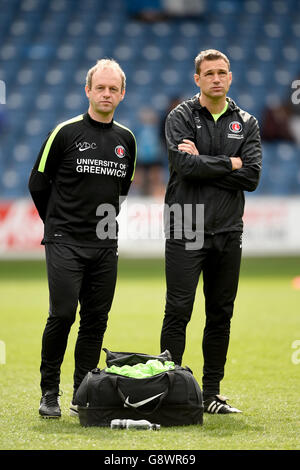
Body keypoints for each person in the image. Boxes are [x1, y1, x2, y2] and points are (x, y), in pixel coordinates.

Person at [28, 59, 137, 418]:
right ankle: (49, 392)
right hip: (64, 240)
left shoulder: (127, 140)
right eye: (100, 87)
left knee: (96, 320)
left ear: (122, 94)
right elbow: (37, 183)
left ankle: (82, 392)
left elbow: (121, 192)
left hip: (105, 243)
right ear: (87, 90)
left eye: (113, 89)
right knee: (61, 314)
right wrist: (57, 224)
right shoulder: (64, 132)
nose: (106, 93)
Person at [160, 49, 262, 414]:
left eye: (222, 72)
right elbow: (184, 167)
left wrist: (203, 160)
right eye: (209, 73)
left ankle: (211, 393)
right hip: (185, 224)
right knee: (179, 310)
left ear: (230, 77)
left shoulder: (246, 121)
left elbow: (251, 176)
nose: (216, 78)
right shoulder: (180, 116)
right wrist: (228, 163)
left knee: (221, 313)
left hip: (228, 229)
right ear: (197, 79)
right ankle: (169, 389)